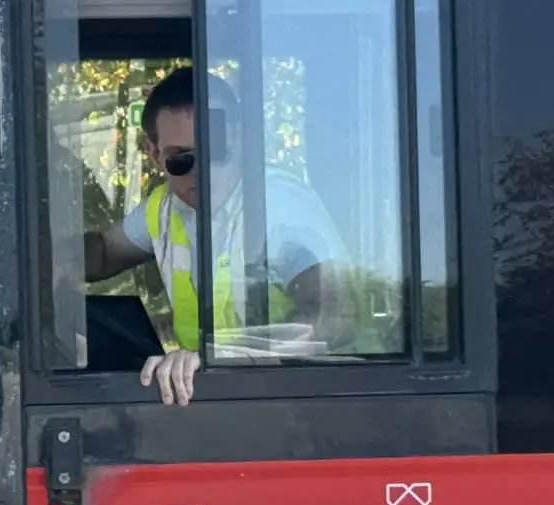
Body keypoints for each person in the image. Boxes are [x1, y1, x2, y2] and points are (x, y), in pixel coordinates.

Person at [83, 66, 353, 406]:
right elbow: (103, 253)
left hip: (306, 406)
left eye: (216, 150)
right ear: (155, 155)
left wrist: (216, 358)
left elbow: (335, 316)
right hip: (226, 402)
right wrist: (24, 261)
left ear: (239, 138)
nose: (201, 169)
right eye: (181, 159)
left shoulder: (277, 205)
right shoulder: (164, 208)